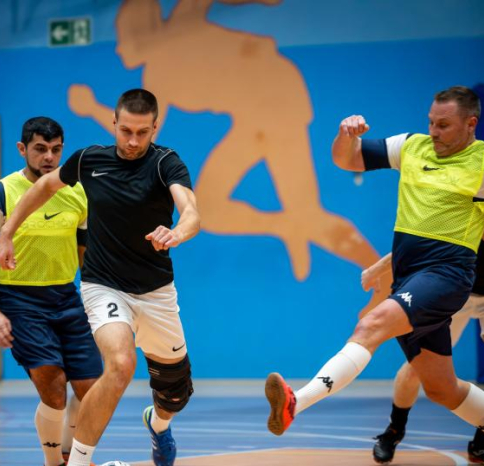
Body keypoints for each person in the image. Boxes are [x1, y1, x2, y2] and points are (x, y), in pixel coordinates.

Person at [263, 86, 484, 466]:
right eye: (431, 122)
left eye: (444, 125)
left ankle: (297, 402)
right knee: (441, 389)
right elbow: (346, 159)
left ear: (471, 124)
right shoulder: (411, 146)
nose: (434, 131)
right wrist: (346, 135)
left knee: (371, 324)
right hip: (410, 278)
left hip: (448, 276)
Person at [69, 0, 388, 317]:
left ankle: (384, 279)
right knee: (213, 208)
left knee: (306, 213)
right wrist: (92, 108)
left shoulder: (183, 21)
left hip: (279, 98)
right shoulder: (156, 78)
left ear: (147, 32)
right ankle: (286, 225)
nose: (119, 47)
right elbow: (138, 133)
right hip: (254, 119)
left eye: (125, 36)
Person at [0, 89, 200, 466]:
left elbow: (191, 209)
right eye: (125, 130)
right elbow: (46, 187)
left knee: (175, 394)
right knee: (121, 364)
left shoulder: (166, 163)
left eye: (142, 132)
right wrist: (8, 229)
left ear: (154, 129)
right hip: (104, 287)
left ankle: (158, 424)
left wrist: (178, 232)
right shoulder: (89, 160)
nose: (132, 140)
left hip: (157, 293)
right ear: (113, 122)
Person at [0, 117, 101, 466]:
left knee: (92, 388)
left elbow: (85, 256)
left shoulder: (77, 193)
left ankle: (68, 458)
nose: (49, 157)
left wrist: (101, 301)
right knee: (53, 385)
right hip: (20, 300)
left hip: (66, 297)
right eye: (40, 149)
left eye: (56, 150)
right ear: (22, 149)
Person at [363, 189, 484, 465]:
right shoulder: (464, 228)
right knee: (415, 370)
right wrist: (376, 269)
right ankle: (393, 431)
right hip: (455, 295)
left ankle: (481, 444)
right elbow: (416, 245)